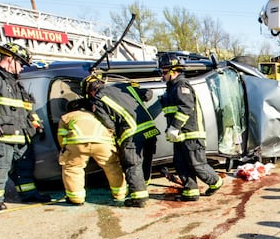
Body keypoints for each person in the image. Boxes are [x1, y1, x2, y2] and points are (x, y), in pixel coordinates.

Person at [0, 42, 50, 211]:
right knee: (0, 165)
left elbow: (27, 107)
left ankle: (28, 194)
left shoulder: (14, 82)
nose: (22, 69)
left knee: (24, 166)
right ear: (10, 58)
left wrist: (36, 124)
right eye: (21, 64)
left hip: (20, 134)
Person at [83, 73, 159, 208]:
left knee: (132, 165)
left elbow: (109, 124)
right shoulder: (124, 87)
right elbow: (148, 94)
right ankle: (142, 187)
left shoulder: (98, 100)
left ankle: (139, 197)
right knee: (145, 161)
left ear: (91, 92)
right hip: (150, 129)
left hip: (132, 133)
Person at [158, 54, 223, 201]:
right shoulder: (172, 88)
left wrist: (174, 127)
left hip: (191, 134)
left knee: (197, 164)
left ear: (174, 71)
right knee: (181, 165)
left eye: (164, 72)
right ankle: (190, 192)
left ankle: (215, 181)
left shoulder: (181, 86)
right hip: (180, 136)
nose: (162, 76)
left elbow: (186, 107)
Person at [57, 99, 126, 205]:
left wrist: (65, 149)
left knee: (73, 169)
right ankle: (120, 194)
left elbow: (61, 136)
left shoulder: (67, 117)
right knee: (112, 167)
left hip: (78, 144)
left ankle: (76, 199)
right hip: (102, 143)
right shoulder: (97, 115)